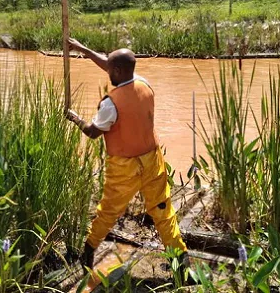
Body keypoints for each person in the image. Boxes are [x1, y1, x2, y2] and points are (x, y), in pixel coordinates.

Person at [65, 38, 191, 277]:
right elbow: (111, 63)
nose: (108, 72)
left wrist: (75, 118)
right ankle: (182, 262)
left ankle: (88, 251)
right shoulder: (144, 83)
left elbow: (92, 132)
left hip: (124, 167)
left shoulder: (110, 104)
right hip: (152, 160)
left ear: (118, 71)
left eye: (111, 70)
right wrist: (83, 49)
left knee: (109, 211)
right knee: (163, 210)